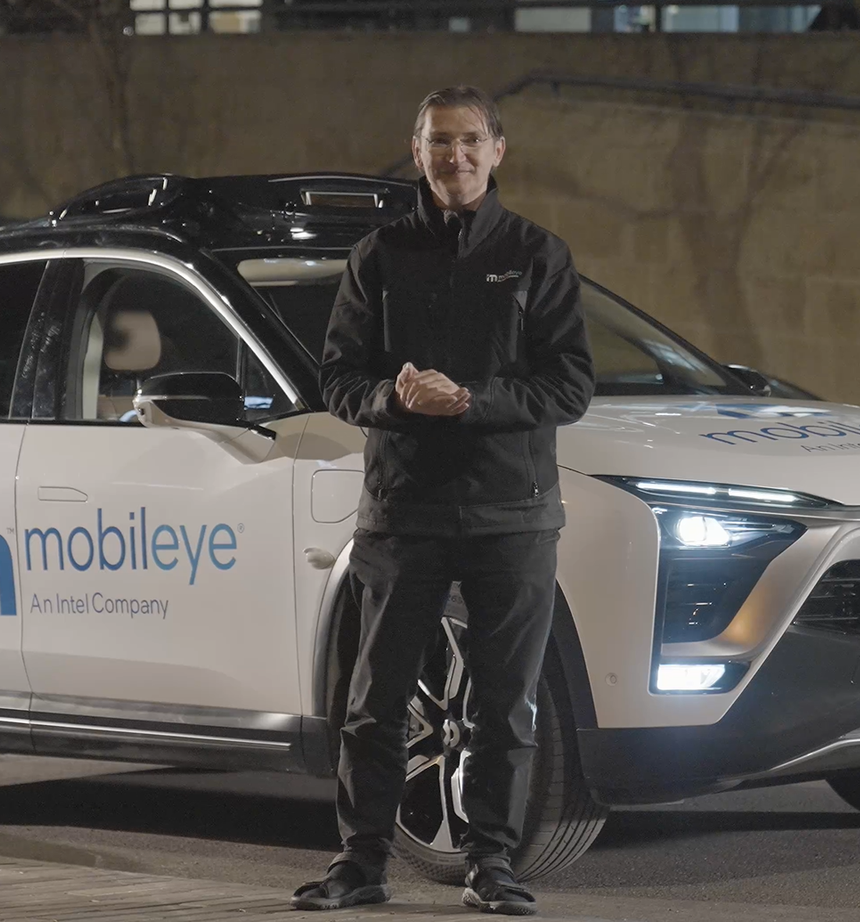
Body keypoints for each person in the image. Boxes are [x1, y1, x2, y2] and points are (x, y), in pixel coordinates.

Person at [292, 85, 593, 916]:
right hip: (404, 514)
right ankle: (360, 867)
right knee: (373, 703)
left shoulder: (539, 256)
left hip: (512, 515)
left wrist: (472, 401)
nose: (453, 156)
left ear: (499, 150)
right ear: (417, 150)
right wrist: (396, 400)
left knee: (504, 706)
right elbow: (337, 379)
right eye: (437, 142)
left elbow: (570, 384)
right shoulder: (379, 255)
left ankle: (492, 865)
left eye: (469, 141)